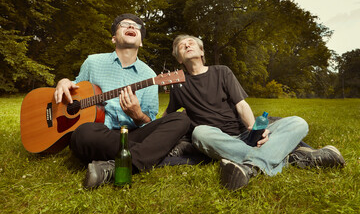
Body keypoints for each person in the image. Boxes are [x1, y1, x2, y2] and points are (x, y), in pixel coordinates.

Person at [164, 34, 345, 190]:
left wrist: (254, 129)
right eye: (181, 45)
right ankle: (285, 158)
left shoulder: (221, 72)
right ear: (179, 59)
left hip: (245, 134)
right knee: (199, 133)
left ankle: (250, 167)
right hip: (219, 140)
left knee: (298, 122)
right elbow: (167, 118)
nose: (187, 45)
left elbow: (241, 105)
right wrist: (145, 127)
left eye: (191, 42)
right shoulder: (178, 86)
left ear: (202, 52)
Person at [54, 14, 191, 189]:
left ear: (141, 42)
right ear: (113, 38)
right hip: (99, 133)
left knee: (181, 119)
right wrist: (63, 82)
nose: (132, 27)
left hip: (131, 134)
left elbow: (149, 121)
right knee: (83, 134)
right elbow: (74, 92)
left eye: (136, 26)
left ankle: (115, 166)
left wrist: (138, 115)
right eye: (124, 25)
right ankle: (157, 153)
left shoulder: (150, 75)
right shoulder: (93, 62)